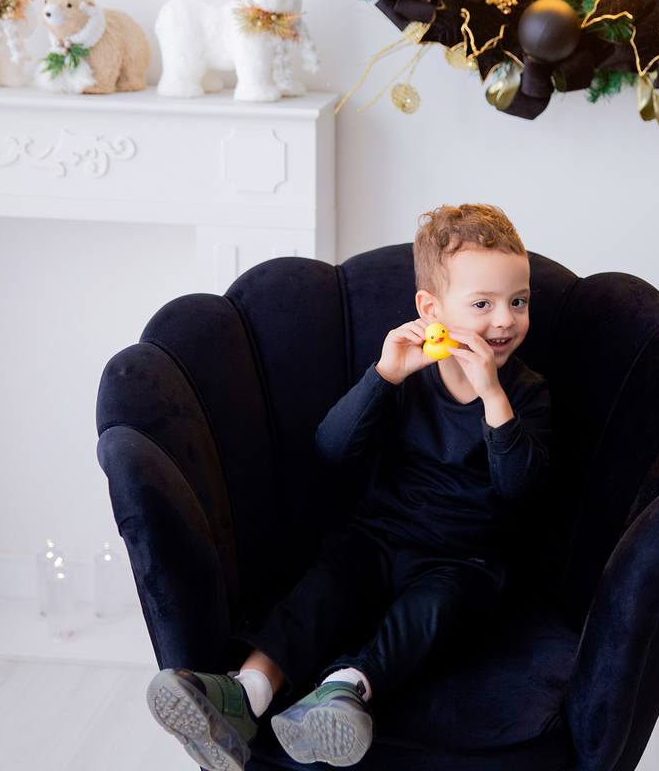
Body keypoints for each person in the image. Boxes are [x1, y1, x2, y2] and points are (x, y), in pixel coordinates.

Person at [146, 203, 550, 770]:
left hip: (464, 560)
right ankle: (246, 693)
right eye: (482, 304)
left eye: (518, 301)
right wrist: (383, 375)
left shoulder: (525, 393)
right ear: (431, 309)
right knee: (324, 588)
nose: (504, 320)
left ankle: (344, 692)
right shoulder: (407, 376)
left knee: (431, 615)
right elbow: (333, 448)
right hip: (379, 537)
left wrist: (494, 398)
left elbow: (520, 488)